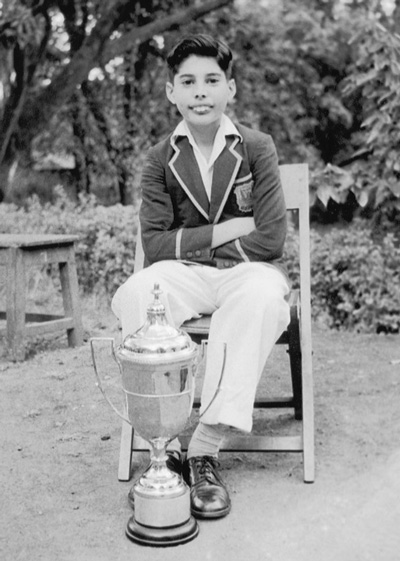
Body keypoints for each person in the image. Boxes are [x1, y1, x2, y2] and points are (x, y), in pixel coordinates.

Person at [111, 34, 290, 520]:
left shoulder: (257, 147)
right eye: (187, 82)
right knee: (136, 292)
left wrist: (193, 238)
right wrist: (228, 229)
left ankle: (205, 449)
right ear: (171, 92)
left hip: (246, 273)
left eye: (212, 80)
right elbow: (156, 246)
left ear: (230, 88)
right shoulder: (158, 158)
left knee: (263, 297)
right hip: (183, 274)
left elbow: (271, 239)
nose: (200, 92)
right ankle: (161, 451)